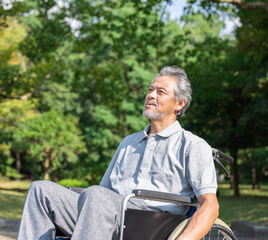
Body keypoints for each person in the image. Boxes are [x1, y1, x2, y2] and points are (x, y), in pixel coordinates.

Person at [17, 66, 219, 240]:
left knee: (97, 195)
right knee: (41, 190)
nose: (151, 95)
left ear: (179, 103)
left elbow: (210, 205)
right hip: (107, 215)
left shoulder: (192, 145)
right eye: (150, 90)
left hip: (151, 223)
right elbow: (103, 193)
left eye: (160, 92)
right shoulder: (129, 142)